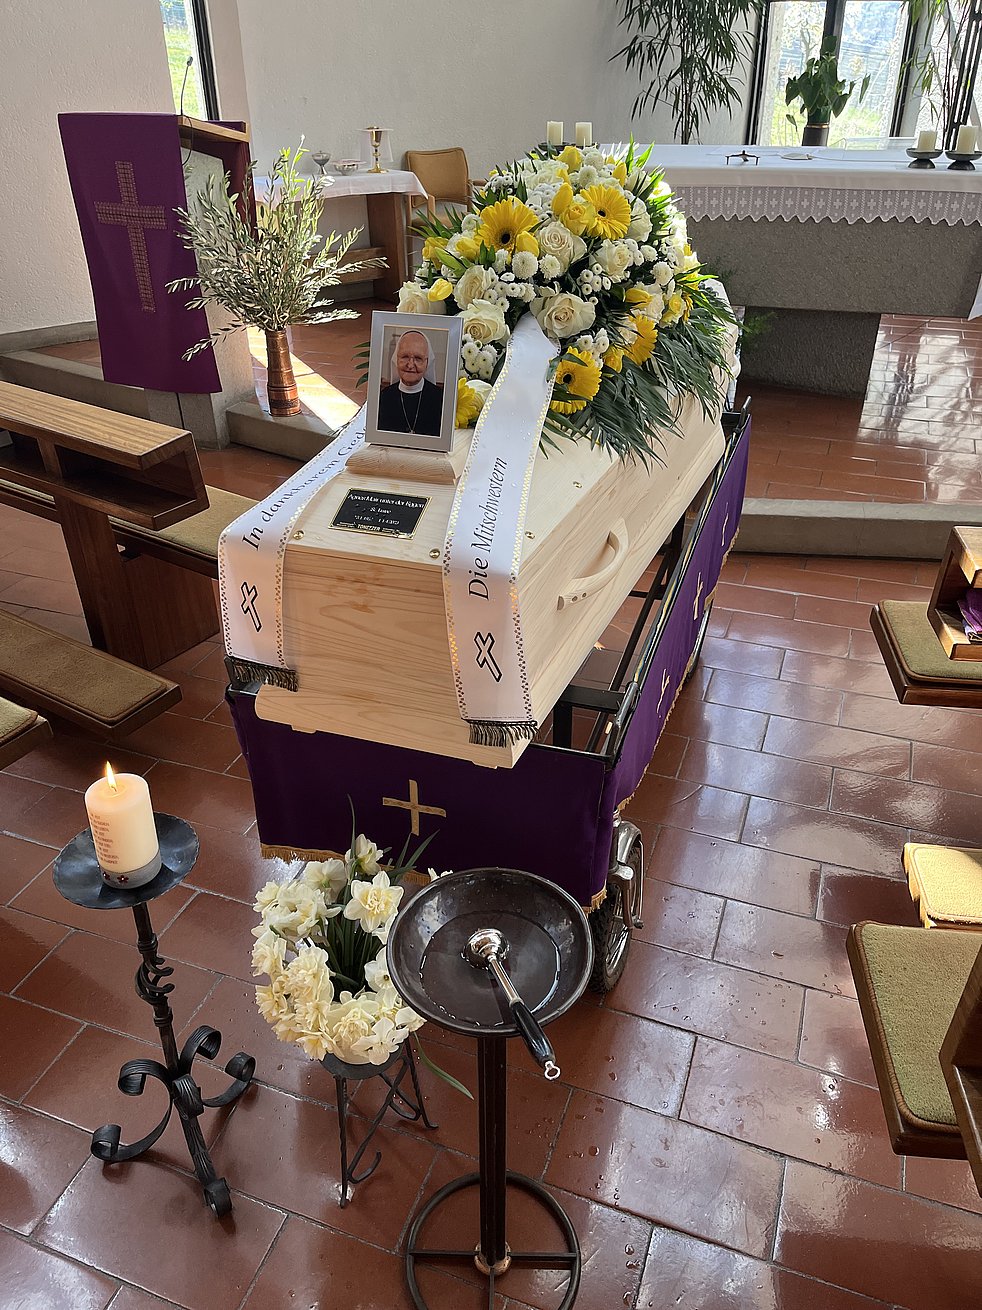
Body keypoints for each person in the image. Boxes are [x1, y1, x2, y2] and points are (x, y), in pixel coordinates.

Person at [377, 330, 444, 436]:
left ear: (427, 362)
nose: (410, 365)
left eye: (418, 358)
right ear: (396, 359)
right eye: (405, 357)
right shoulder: (383, 397)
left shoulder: (440, 398)